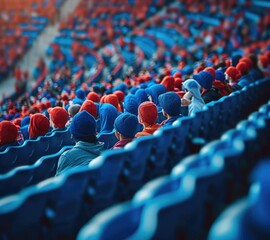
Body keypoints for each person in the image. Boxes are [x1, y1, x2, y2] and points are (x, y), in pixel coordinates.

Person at [56, 110, 104, 175]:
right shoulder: (106, 152)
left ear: (72, 136)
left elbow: (58, 183)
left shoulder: (67, 157)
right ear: (95, 133)